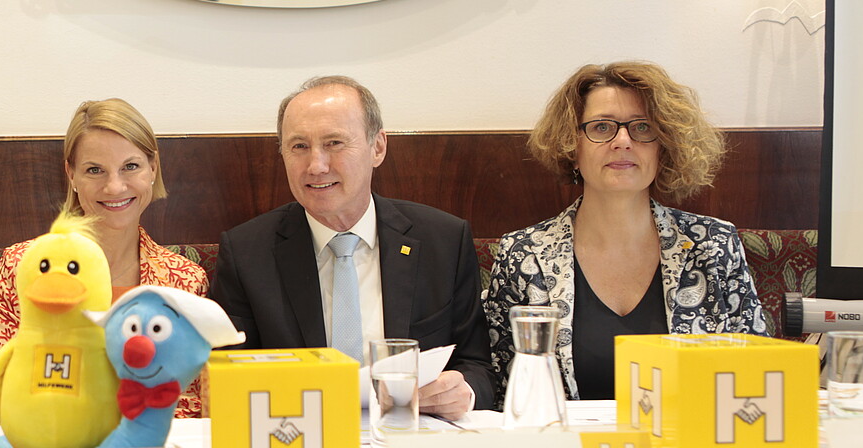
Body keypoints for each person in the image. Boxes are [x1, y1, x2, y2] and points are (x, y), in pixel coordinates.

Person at [210, 76, 495, 420]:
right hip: (301, 439)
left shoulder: (443, 241)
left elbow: (478, 366)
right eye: (299, 146)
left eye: (334, 143)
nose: (316, 165)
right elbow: (230, 379)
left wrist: (463, 391)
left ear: (378, 147)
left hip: (413, 434)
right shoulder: (246, 252)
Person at [485, 61, 766, 402]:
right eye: (602, 127)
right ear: (572, 148)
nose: (622, 141)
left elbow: (757, 377)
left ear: (664, 146)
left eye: (642, 127)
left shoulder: (714, 245)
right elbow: (502, 392)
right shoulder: (523, 254)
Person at [0, 98, 209, 417]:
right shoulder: (25, 265)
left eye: (130, 166)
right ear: (72, 175)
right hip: (51, 446)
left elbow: (191, 405)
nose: (115, 186)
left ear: (153, 169)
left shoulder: (185, 281)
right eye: (94, 170)